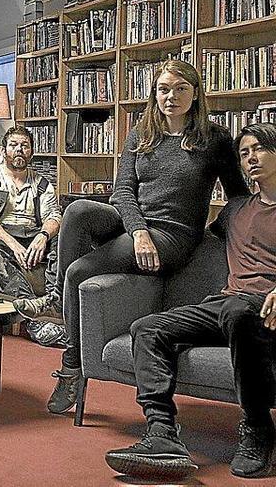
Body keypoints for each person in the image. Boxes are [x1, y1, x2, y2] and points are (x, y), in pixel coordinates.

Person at [26, 59, 249, 416]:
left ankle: (71, 365)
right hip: (137, 225)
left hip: (172, 236)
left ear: (195, 94)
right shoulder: (142, 133)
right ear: (154, 94)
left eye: (180, 89)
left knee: (79, 272)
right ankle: (56, 298)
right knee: (78, 210)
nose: (171, 96)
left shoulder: (214, 139)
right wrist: (139, 231)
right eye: (163, 89)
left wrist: (215, 234)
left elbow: (238, 196)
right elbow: (123, 191)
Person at [105, 122, 276, 481]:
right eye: (244, 153)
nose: (250, 158)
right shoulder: (235, 210)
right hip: (228, 304)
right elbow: (199, 241)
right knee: (147, 328)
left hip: (264, 310)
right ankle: (161, 433)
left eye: (259, 149)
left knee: (238, 311)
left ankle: (258, 429)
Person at [0, 126, 66, 347]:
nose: (19, 150)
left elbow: (54, 216)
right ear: (4, 150)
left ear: (31, 152)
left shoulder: (42, 183)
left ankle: (53, 302)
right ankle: (34, 318)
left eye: (25, 145)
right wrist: (13, 244)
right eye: (13, 145)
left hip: (33, 234)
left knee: (61, 240)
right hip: (2, 235)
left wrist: (43, 236)